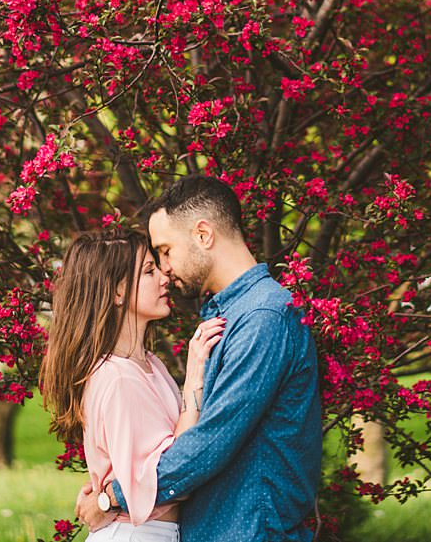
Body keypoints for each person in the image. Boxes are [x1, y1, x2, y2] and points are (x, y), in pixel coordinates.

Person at [75, 176, 323, 542]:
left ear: (203, 235)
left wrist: (113, 498)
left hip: (250, 531)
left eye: (166, 250)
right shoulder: (232, 316)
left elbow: (210, 443)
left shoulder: (262, 319)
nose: (165, 268)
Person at [40, 228, 227, 541]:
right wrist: (195, 375)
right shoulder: (118, 378)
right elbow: (172, 470)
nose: (164, 277)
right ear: (116, 292)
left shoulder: (148, 365)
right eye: (149, 271)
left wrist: (106, 498)